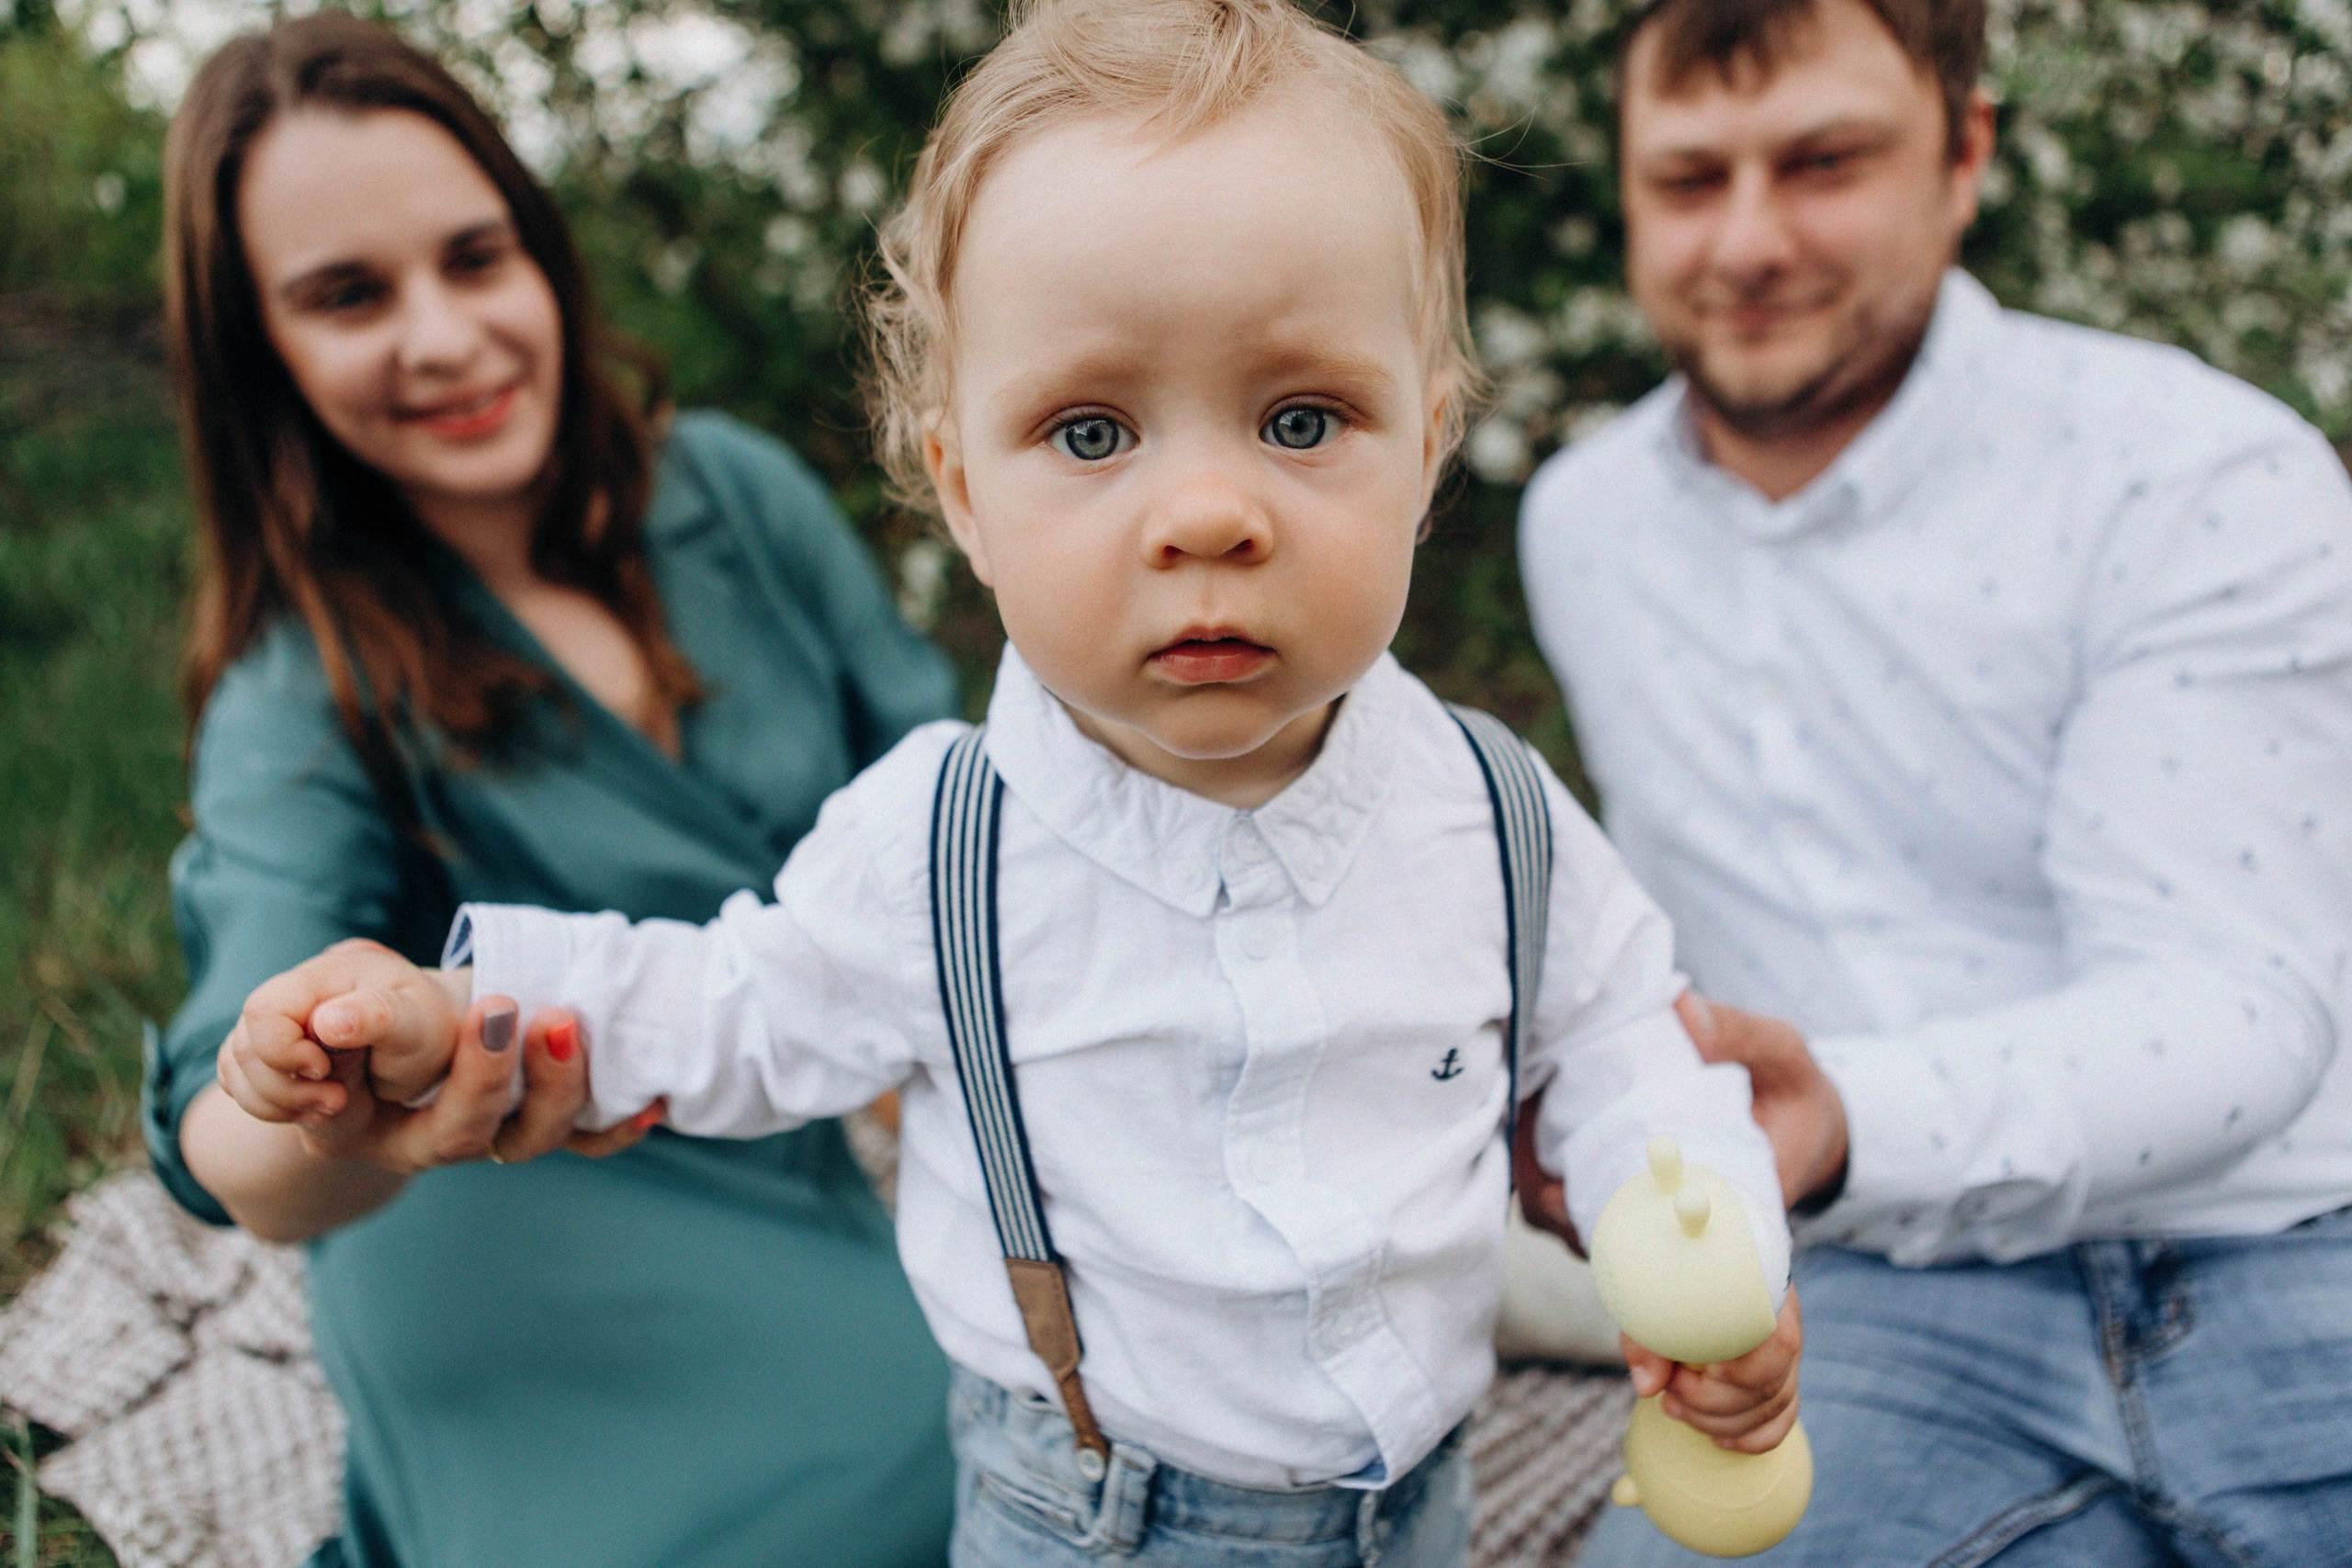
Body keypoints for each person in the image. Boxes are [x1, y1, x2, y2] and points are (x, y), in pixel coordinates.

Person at [217, 3, 1804, 1563]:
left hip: (1414, 1490)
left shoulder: (1494, 811)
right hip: (1098, 1514)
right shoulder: (941, 846)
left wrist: (1704, 1244)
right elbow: (727, 1004)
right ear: (965, 493)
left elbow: (1623, 1045)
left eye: (1302, 418)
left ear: (1430, 446)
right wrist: (455, 1015)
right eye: (1093, 432)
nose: (1206, 512)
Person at [1518, 0, 2352, 1562]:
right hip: (1883, 1303)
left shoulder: (2197, 471)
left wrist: (1842, 1116)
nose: (1747, 242)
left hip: (2294, 1246)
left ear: (1964, 154)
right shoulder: (1582, 524)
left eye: (1822, 163)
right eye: (1689, 180)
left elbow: (2240, 1009)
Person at [145, 14, 961, 1565]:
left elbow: (958, 816)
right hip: (501, 1211)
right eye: (348, 296)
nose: (444, 337)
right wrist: (323, 1101)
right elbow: (232, 1152)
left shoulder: (736, 494)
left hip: (787, 1154)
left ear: (540, 253)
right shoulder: (294, 687)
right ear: (265, 356)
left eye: (475, 258)